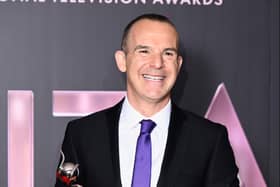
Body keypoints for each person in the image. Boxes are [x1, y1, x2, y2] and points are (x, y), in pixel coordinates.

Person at [55, 13, 239, 187]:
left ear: (178, 64)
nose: (157, 63)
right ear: (122, 61)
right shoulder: (82, 134)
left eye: (168, 53)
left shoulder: (209, 140)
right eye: (144, 51)